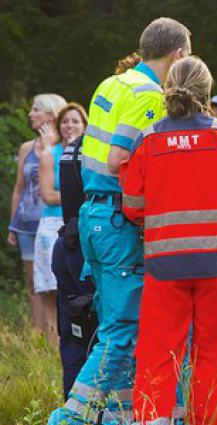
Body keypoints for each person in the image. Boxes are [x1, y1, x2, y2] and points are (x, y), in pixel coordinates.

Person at [48, 17, 192, 425]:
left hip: (93, 216)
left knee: (118, 326)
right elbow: (122, 159)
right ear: (178, 55)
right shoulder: (149, 95)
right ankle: (69, 418)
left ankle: (119, 416)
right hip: (118, 220)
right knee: (123, 332)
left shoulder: (112, 84)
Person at [122, 55, 217, 425]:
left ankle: (154, 420)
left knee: (158, 350)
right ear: (207, 91)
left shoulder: (149, 139)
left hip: (165, 264)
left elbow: (132, 204)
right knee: (214, 353)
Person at [43, 102, 93, 399]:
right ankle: (85, 408)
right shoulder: (95, 153)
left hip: (67, 242)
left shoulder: (71, 154)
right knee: (89, 329)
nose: (70, 126)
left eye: (76, 121)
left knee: (73, 329)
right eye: (67, 121)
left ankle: (72, 402)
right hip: (83, 247)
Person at [8, 94, 66, 337]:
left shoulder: (63, 146)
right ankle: (38, 335)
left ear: (51, 115)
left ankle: (57, 335)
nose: (30, 114)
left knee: (55, 283)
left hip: (53, 223)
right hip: (26, 224)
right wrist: (13, 224)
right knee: (34, 284)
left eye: (36, 110)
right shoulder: (26, 148)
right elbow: (19, 188)